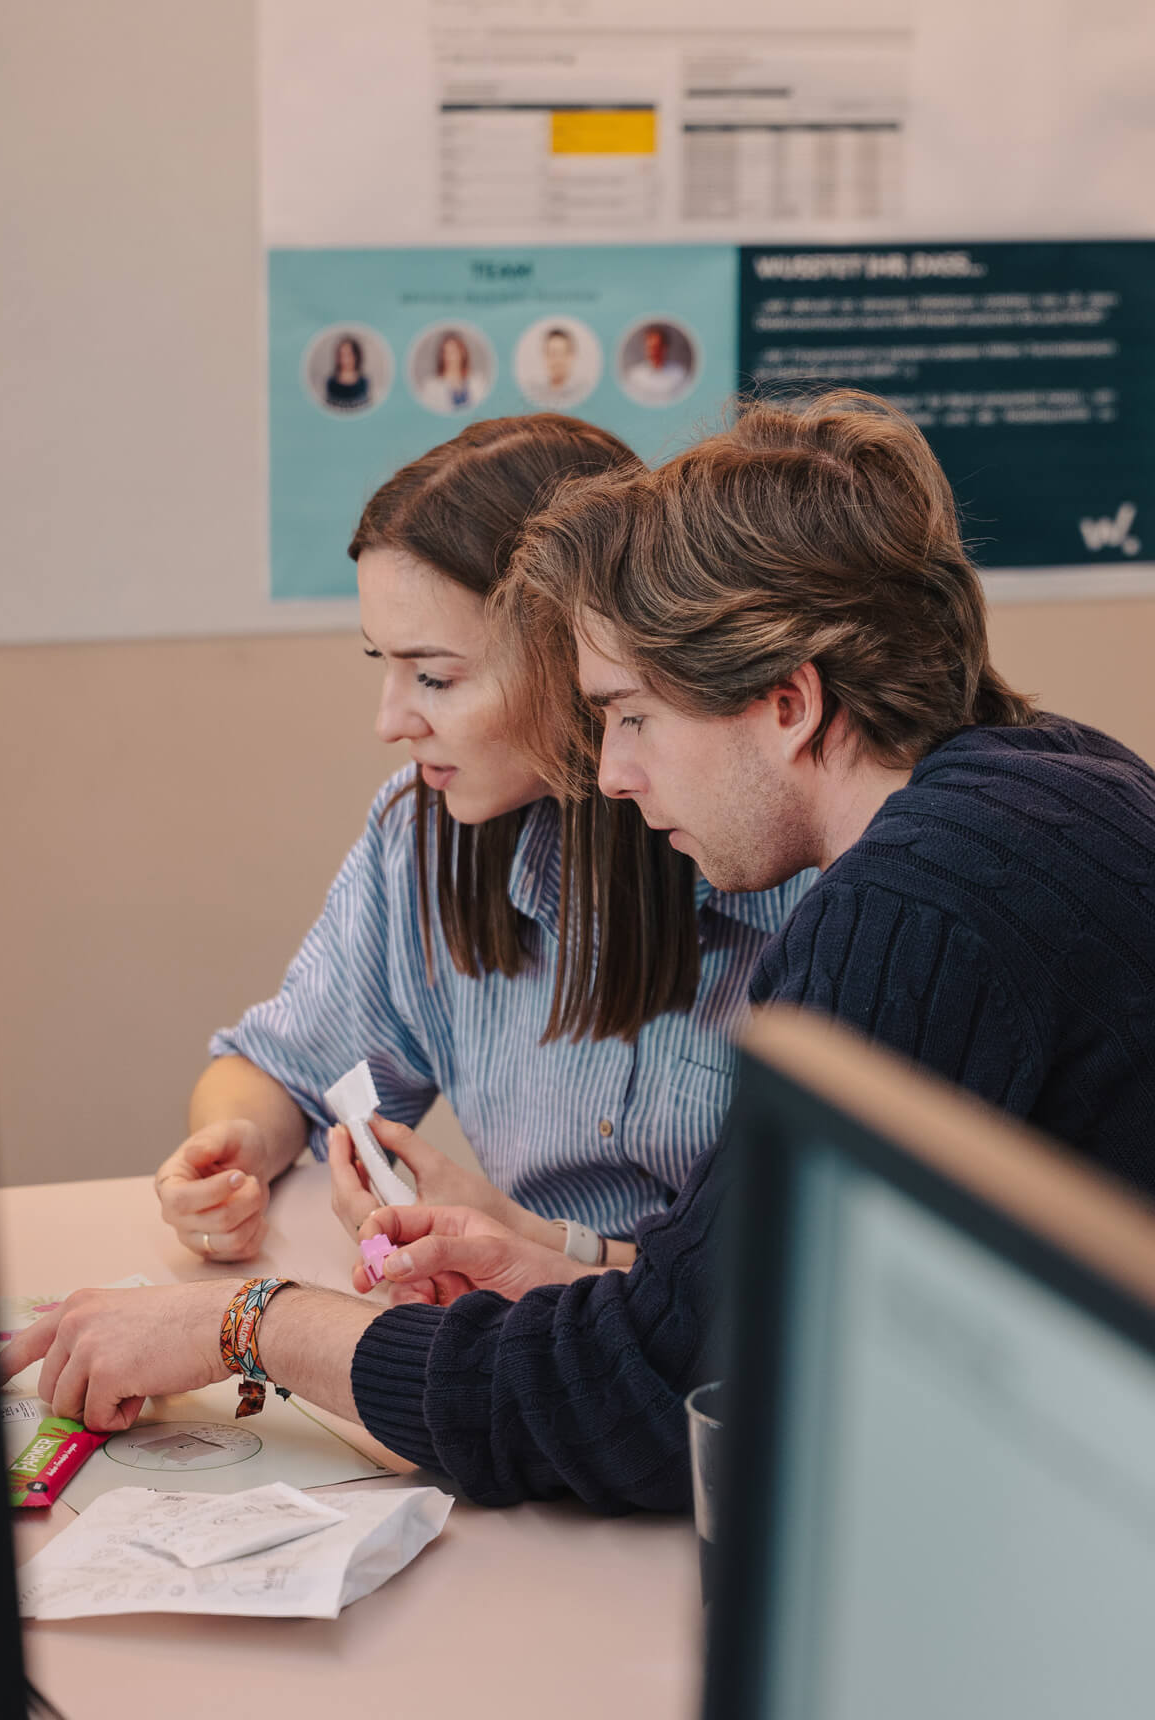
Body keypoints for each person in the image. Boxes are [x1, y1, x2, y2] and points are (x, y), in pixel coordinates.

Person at [7, 391, 1155, 1515]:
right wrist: (564, 1262)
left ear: (788, 703)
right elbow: (743, 1320)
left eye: (632, 715)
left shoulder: (906, 905)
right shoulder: (1050, 779)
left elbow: (653, 1403)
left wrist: (249, 1320)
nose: (606, 773)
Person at [154, 414, 810, 1270]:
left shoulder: (776, 852)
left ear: (576, 657)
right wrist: (231, 1150)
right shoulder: (429, 835)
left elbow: (805, 1281)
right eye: (384, 666)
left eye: (434, 676)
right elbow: (278, 1069)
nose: (390, 721)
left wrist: (546, 1251)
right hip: (537, 1342)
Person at [621, 323, 691, 406]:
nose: (652, 352)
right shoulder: (635, 376)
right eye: (649, 347)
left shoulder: (679, 375)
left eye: (656, 347)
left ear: (664, 348)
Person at [418, 331, 487, 414]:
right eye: (445, 352)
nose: (449, 357)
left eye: (454, 352)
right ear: (441, 356)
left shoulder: (477, 381)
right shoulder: (432, 386)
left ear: (463, 353)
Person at [324, 336, 370, 411]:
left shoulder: (364, 382)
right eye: (341, 355)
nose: (344, 360)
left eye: (348, 355)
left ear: (356, 356)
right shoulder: (330, 382)